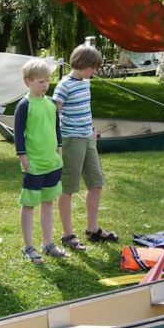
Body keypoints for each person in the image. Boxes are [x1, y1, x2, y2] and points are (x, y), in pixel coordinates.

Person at [53, 44, 117, 249]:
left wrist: (90, 130)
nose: (95, 72)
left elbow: (84, 109)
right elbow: (55, 114)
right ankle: (68, 235)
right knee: (68, 188)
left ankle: (92, 229)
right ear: (82, 64)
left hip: (87, 138)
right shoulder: (64, 85)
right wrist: (58, 141)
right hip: (71, 140)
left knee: (96, 183)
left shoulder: (85, 83)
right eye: (93, 68)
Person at [15, 58, 66, 264]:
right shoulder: (24, 105)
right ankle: (28, 246)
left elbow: (56, 128)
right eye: (40, 81)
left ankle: (48, 243)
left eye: (47, 81)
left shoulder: (51, 103)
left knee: (48, 203)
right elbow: (18, 134)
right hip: (34, 164)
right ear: (28, 81)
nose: (45, 85)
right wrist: (23, 158)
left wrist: (60, 150)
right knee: (29, 205)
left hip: (52, 163)